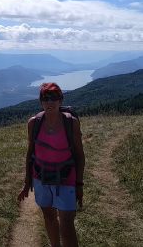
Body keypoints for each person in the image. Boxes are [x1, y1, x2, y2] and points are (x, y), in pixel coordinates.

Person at [18, 82, 85, 247]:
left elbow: (79, 155)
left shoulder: (71, 123)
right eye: (45, 98)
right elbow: (30, 152)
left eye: (54, 97)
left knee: (67, 225)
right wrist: (27, 183)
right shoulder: (34, 123)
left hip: (66, 177)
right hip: (41, 178)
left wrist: (79, 183)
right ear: (41, 102)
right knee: (48, 217)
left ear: (61, 100)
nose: (50, 102)